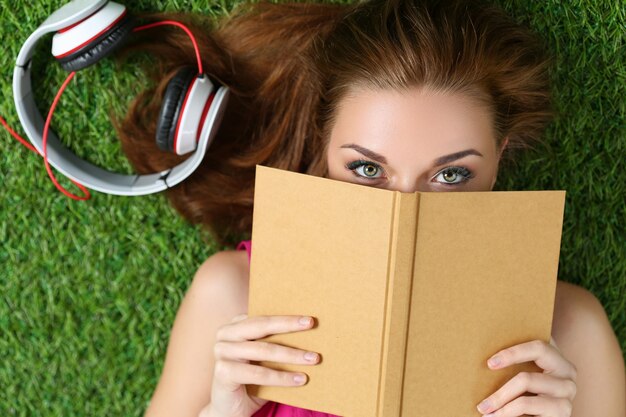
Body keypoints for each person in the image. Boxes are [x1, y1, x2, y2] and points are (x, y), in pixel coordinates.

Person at [114, 0, 626, 416]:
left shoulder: (571, 332)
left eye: (451, 175)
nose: (405, 210)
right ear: (324, 143)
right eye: (366, 169)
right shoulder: (234, 297)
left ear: (500, 156)